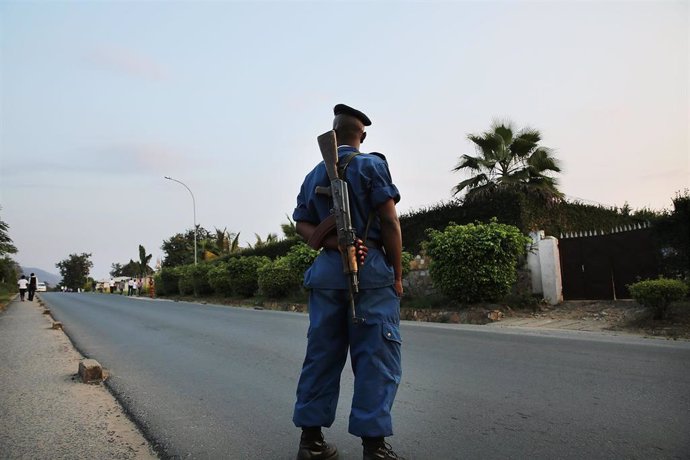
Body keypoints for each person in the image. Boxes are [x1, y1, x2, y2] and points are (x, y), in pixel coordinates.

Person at [292, 104, 404, 460]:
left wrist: (330, 244)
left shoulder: (313, 175)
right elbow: (390, 223)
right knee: (376, 357)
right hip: (370, 273)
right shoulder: (371, 165)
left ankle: (311, 442)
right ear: (363, 136)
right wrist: (398, 275)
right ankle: (374, 448)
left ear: (334, 133)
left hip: (326, 276)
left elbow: (301, 224)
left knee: (321, 356)